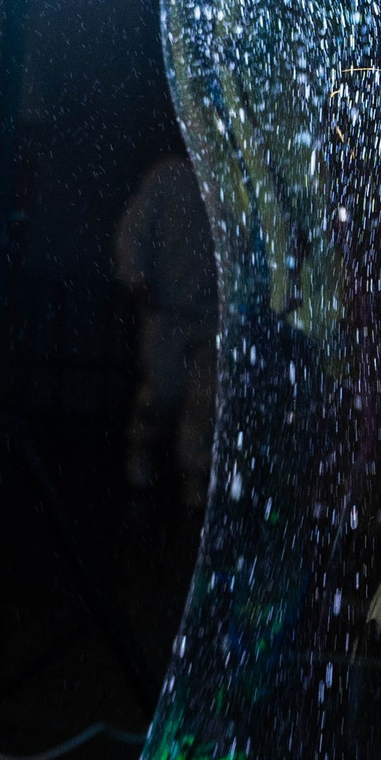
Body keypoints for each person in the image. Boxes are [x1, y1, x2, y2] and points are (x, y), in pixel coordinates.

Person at [113, 152, 218, 505]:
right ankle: (141, 456)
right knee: (160, 393)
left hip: (212, 314)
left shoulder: (228, 179)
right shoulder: (168, 178)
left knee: (204, 402)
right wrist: (136, 276)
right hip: (167, 310)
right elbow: (134, 229)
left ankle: (195, 476)